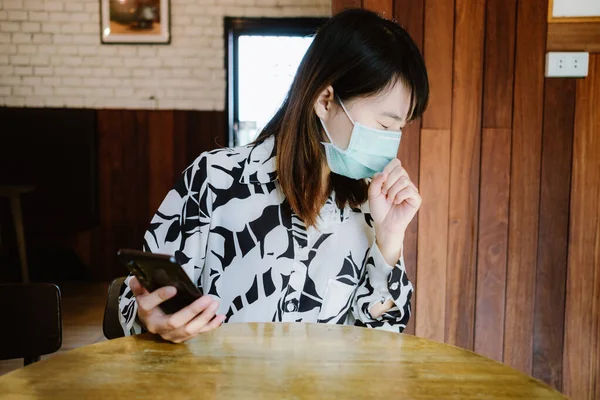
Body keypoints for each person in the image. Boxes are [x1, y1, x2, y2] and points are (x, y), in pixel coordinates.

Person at [119, 8, 429, 343]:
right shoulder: (216, 179)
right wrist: (151, 317)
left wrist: (389, 240)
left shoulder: (370, 208)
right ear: (325, 100)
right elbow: (132, 303)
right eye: (384, 125)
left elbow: (383, 339)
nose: (391, 143)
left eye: (399, 129)